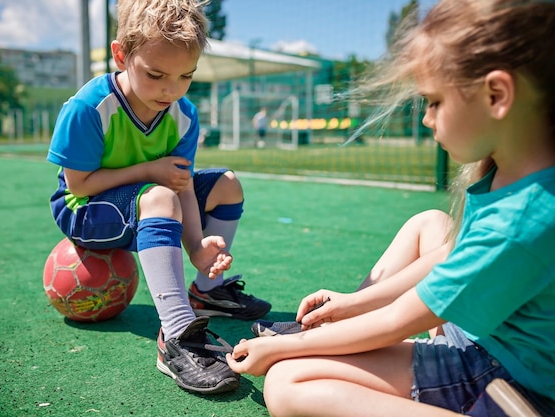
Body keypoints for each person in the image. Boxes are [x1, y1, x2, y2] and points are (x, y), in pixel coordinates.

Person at [226, 0, 555, 416]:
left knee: (288, 383)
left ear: (496, 94)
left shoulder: (525, 217)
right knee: (430, 224)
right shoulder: (517, 175)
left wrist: (282, 346)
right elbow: (450, 257)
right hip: (480, 333)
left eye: (434, 102)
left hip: (502, 373)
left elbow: (399, 320)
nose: (427, 119)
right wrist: (349, 305)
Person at [47, 0, 270, 395]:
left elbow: (180, 183)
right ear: (121, 55)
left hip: (154, 196)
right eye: (156, 75)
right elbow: (78, 185)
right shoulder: (88, 107)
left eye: (187, 76)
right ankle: (177, 336)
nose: (172, 89)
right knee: (160, 195)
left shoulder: (182, 113)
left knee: (227, 183)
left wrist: (198, 246)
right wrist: (149, 172)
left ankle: (207, 290)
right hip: (84, 210)